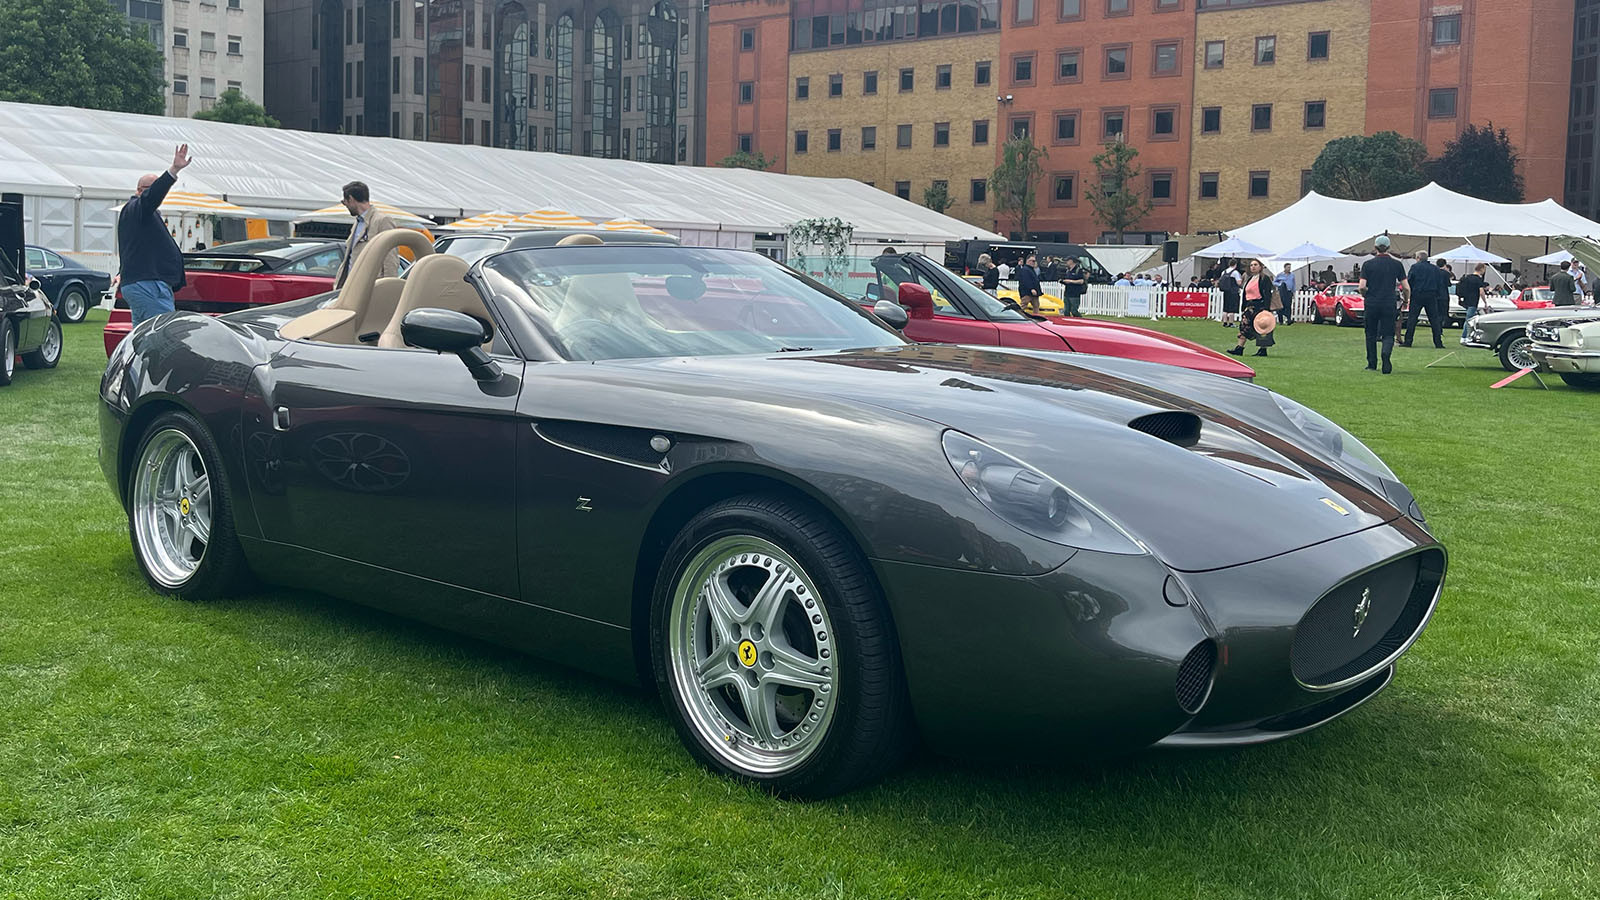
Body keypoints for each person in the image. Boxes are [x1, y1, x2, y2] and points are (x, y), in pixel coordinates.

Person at [117, 144, 193, 326]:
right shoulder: (138, 207)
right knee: (162, 335)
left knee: (144, 338)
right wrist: (173, 170)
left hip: (142, 283)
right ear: (141, 190)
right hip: (148, 284)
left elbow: (135, 248)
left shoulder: (138, 214)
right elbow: (152, 196)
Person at [334, 180, 398, 290]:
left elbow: (390, 258)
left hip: (370, 287)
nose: (345, 205)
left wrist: (388, 288)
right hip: (351, 286)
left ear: (351, 199)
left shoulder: (382, 220)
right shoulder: (358, 222)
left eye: (344, 202)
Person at [1359, 236, 1407, 373]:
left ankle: (1372, 363)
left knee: (1370, 334)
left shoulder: (1368, 265)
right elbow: (1406, 287)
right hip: (1389, 302)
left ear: (1375, 247)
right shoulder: (1397, 264)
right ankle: (1386, 354)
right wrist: (1406, 300)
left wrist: (1365, 295)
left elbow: (1362, 286)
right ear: (1389, 248)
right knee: (1388, 333)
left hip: (1372, 302)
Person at [1226, 259, 1276, 357]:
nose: (1253, 267)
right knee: (1244, 327)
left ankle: (1263, 349)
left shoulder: (1264, 278)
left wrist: (1266, 309)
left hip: (1259, 306)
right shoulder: (1250, 278)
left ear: (1260, 267)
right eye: (1252, 265)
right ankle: (1239, 348)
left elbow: (1267, 295)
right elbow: (1245, 294)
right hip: (1249, 307)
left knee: (1262, 327)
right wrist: (1244, 307)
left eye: (1255, 265)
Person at [1402, 251, 1449, 348]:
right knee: (1434, 320)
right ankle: (1438, 343)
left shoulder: (1415, 267)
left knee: (1412, 319)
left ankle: (1408, 341)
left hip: (1417, 295)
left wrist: (1408, 294)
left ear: (1418, 258)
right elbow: (1439, 283)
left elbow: (1410, 281)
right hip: (1431, 295)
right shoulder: (1435, 269)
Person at [1456, 263, 1487, 338]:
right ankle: (1464, 337)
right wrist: (1485, 301)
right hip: (1473, 301)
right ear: (1482, 269)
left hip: (1466, 300)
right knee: (1469, 320)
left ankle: (1470, 335)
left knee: (1471, 318)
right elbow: (1481, 291)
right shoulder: (1478, 279)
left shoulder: (1467, 277)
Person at [1218, 259, 1241, 327]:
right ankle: (1231, 322)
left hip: (1226, 291)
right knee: (1232, 307)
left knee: (1225, 307)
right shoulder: (1235, 272)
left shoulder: (1224, 272)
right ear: (1235, 264)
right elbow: (1239, 282)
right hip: (1233, 291)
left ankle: (1225, 322)